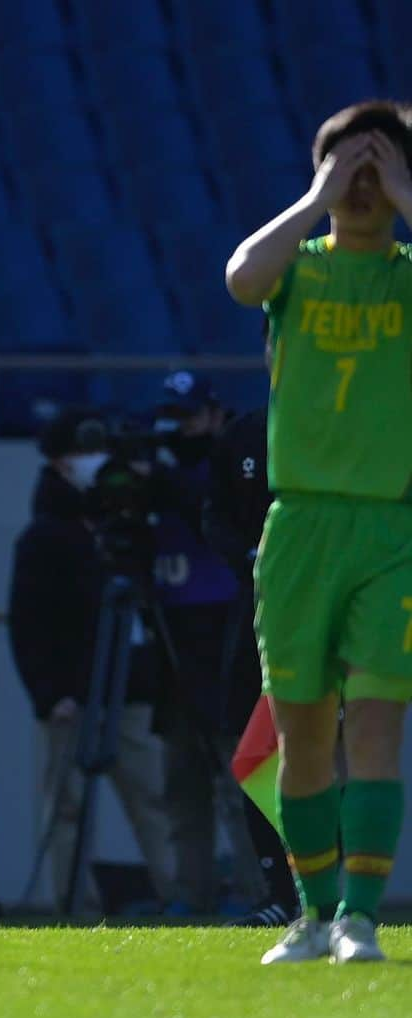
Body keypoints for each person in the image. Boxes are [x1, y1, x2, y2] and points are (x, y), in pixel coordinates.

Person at [226, 100, 412, 964]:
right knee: (304, 733)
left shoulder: (406, 271)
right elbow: (240, 277)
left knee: (375, 727)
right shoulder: (298, 268)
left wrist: (406, 190)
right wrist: (317, 196)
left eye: (378, 173)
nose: (362, 189)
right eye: (350, 171)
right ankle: (312, 911)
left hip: (388, 527)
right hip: (299, 524)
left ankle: (361, 920)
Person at [8, 408, 176, 914]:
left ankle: (186, 898)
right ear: (58, 463)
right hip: (72, 696)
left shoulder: (128, 526)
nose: (94, 464)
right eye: (82, 454)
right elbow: (28, 623)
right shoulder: (43, 538)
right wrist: (48, 694)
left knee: (155, 799)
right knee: (68, 807)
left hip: (131, 690)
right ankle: (71, 902)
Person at [150, 371, 267, 917]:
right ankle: (187, 897)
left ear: (214, 415)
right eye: (171, 418)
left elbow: (215, 517)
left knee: (240, 777)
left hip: (224, 638)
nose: (180, 429)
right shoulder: (158, 476)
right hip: (175, 656)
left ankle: (262, 894)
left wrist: (169, 482)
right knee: (181, 790)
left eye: (189, 417)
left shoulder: (231, 462)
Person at [203, 405, 300, 928]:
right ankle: (289, 895)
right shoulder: (245, 430)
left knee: (320, 758)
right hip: (260, 615)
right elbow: (213, 512)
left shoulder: (334, 418)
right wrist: (247, 557)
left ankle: (331, 899)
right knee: (256, 761)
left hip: (317, 609)